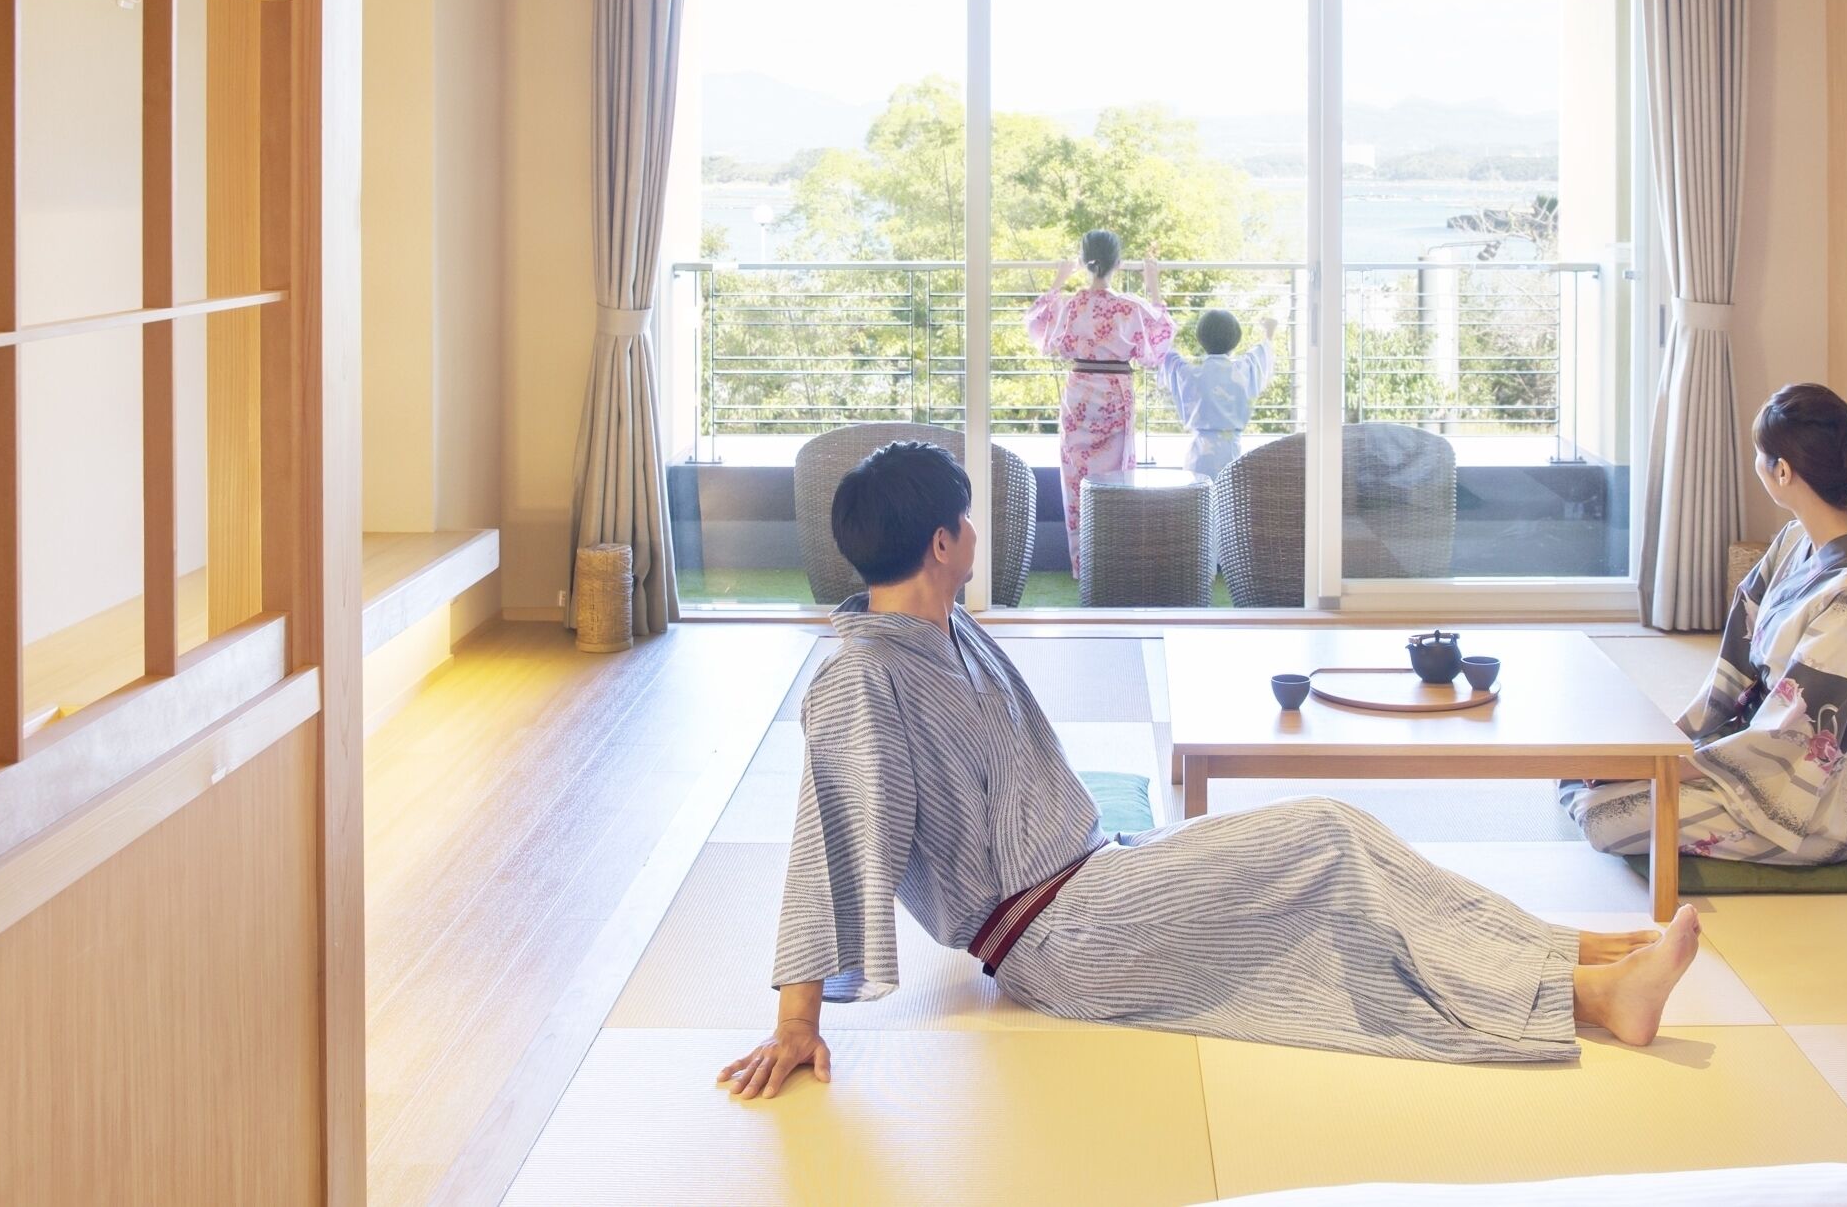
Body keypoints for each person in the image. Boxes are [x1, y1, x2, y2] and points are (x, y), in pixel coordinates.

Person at [719, 440, 1702, 1101]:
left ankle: (1573, 952)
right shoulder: (861, 679)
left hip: (1098, 879)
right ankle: (1584, 993)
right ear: (942, 544)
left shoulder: (938, 624)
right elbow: (827, 838)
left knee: (1332, 853)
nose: (976, 534)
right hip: (1060, 934)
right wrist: (796, 1019)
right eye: (967, 522)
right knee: (1327, 840)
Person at [1563, 383, 1847, 866]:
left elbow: (1791, 735)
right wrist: (1660, 748)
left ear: (1783, 471)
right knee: (1584, 770)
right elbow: (1734, 667)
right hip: (1752, 755)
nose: (1757, 465)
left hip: (1807, 799)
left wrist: (1662, 768)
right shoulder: (1796, 539)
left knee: (1602, 816)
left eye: (1759, 454)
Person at [1023, 230, 1174, 573]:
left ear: (1084, 261)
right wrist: (1153, 287)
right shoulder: (1131, 307)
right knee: (1118, 475)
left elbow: (1043, 335)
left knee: (1075, 478)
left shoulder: (1073, 304)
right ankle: (1117, 561)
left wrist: (1059, 279)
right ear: (1118, 264)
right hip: (1116, 392)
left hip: (1079, 395)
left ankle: (1083, 565)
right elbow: (1157, 346)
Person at [1157, 308, 1277, 482]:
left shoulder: (1192, 375)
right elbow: (1260, 355)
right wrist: (1269, 332)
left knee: (1200, 504)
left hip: (1199, 457)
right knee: (1230, 504)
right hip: (1232, 454)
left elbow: (1169, 358)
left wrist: (1168, 330)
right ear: (1235, 339)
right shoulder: (1242, 372)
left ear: (1200, 339)